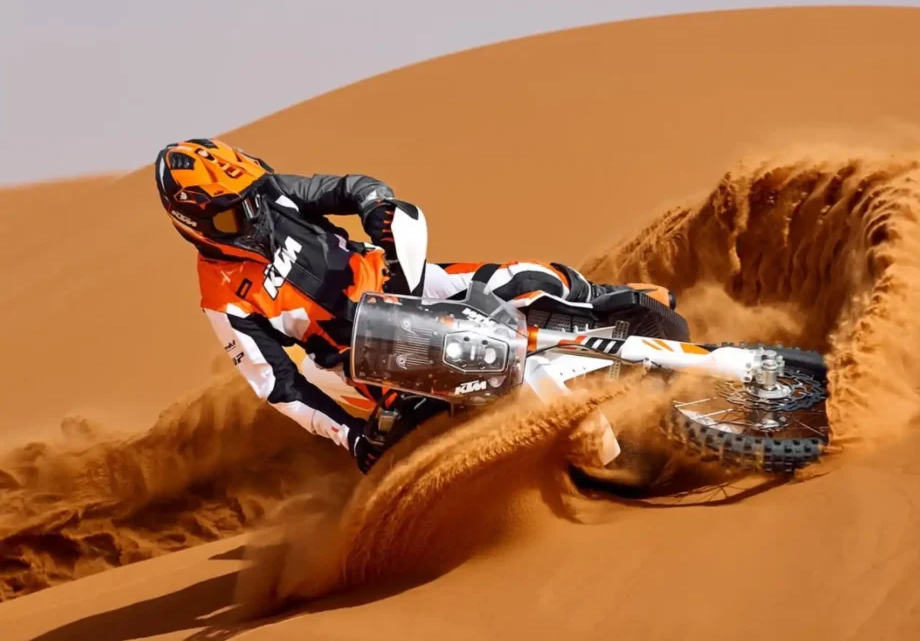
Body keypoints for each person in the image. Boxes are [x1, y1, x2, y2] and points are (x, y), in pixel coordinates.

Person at [154, 138, 674, 473]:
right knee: (486, 378)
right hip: (364, 354)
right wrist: (350, 437)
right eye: (232, 217)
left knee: (530, 278)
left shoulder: (272, 194)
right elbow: (280, 388)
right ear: (194, 224)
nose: (254, 215)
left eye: (251, 197)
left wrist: (376, 205)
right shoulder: (223, 299)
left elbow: (350, 187)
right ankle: (584, 456)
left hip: (401, 280)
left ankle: (624, 309)